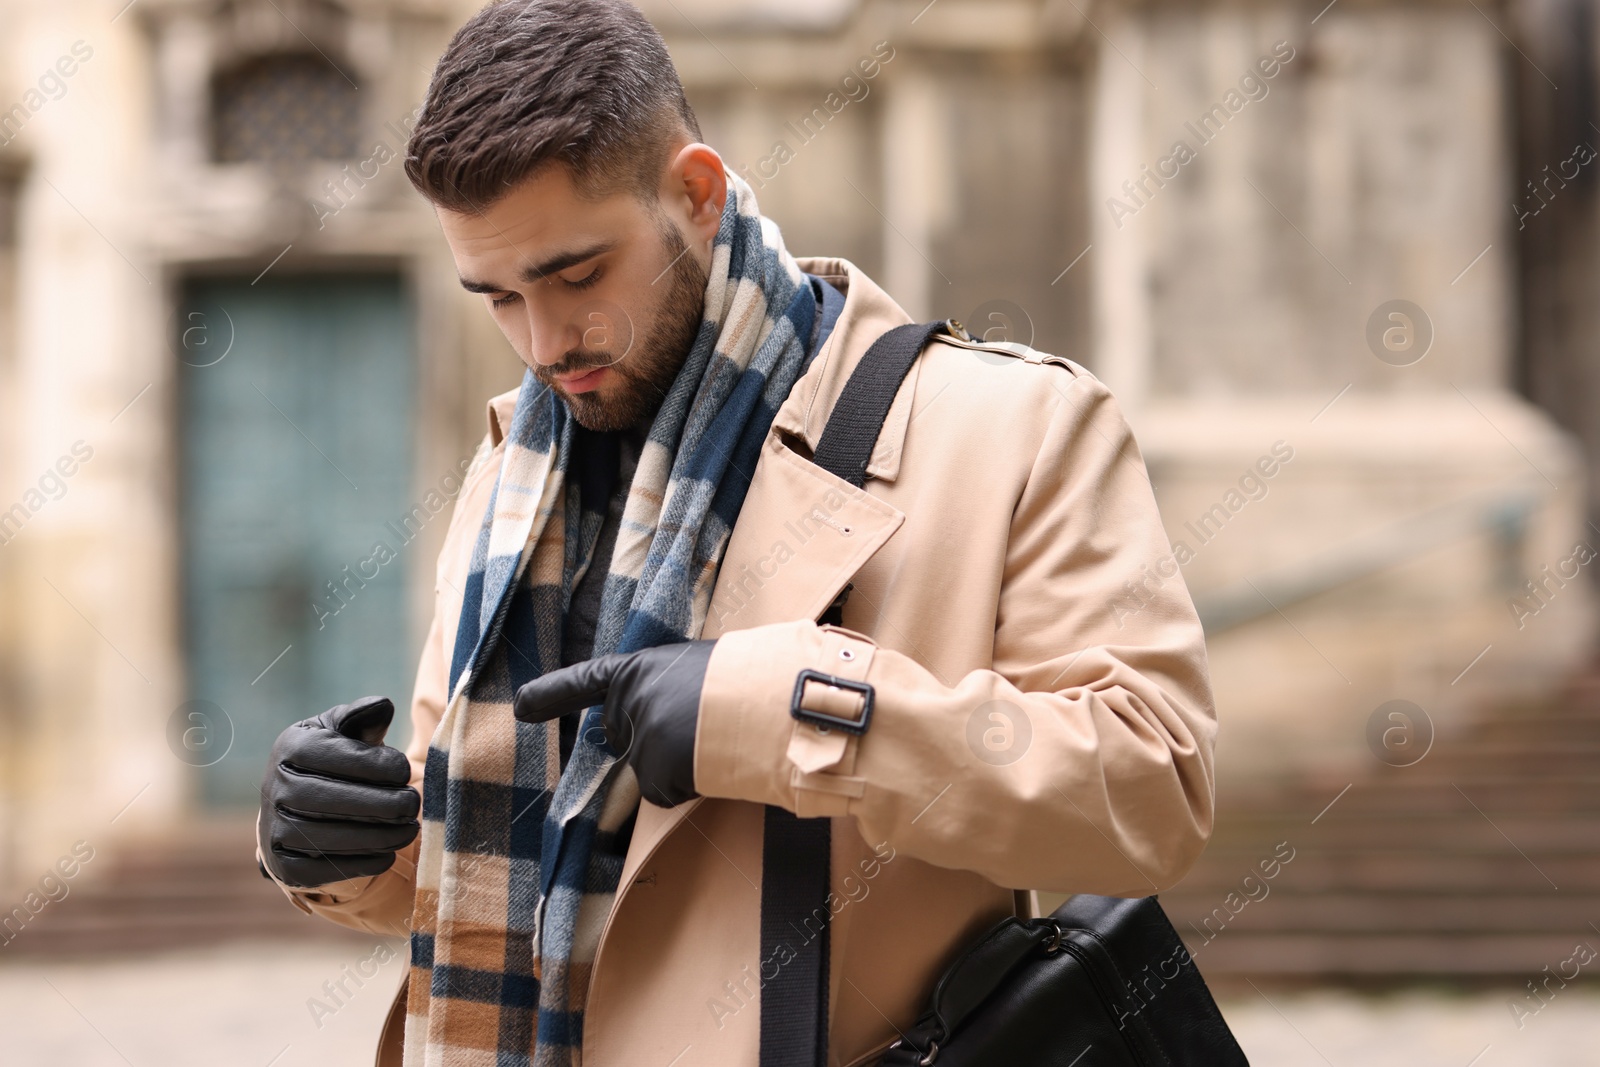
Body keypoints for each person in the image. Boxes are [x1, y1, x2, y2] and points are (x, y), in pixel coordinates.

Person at [255, 2, 1217, 1064]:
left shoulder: (1007, 428)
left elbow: (1149, 793)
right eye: (496, 297)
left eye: (577, 275)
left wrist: (783, 709)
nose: (543, 343)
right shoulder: (509, 479)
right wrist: (340, 841)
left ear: (697, 194)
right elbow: (482, 862)